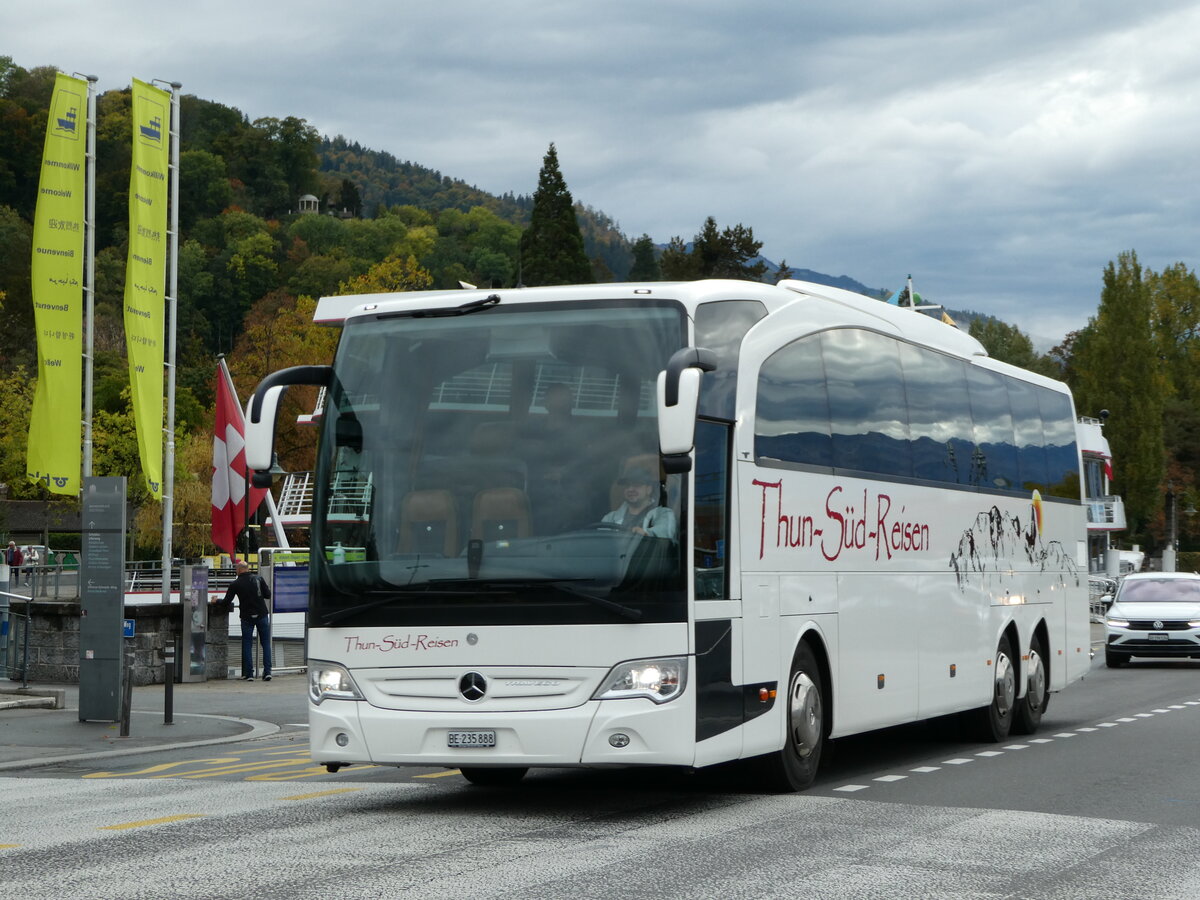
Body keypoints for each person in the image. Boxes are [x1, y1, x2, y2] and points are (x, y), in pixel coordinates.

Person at [222, 560, 272, 681]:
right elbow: (268, 595)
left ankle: (249, 674)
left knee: (247, 644)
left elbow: (226, 602)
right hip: (262, 615)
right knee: (265, 643)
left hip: (246, 617)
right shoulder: (259, 579)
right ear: (248, 569)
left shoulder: (235, 584)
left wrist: (216, 601)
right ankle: (267, 672)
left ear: (239, 570)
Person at [601, 466, 677, 539]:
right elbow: (602, 542)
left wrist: (646, 533)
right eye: (627, 485)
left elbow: (665, 532)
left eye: (637, 484)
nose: (630, 489)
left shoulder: (663, 514)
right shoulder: (610, 518)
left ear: (649, 489)